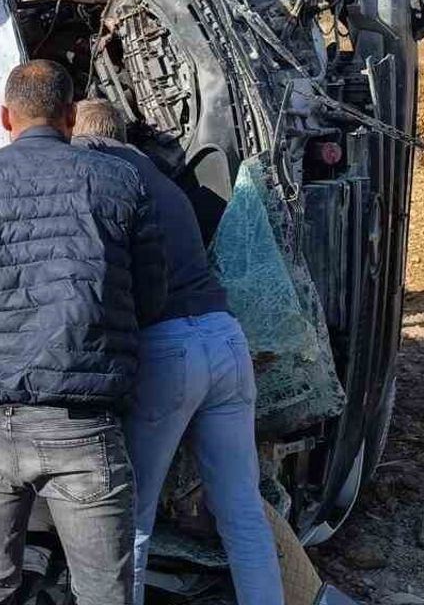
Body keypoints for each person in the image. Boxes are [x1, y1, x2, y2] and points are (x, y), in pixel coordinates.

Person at [0, 62, 168, 605]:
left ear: (3, 117)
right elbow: (152, 295)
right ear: (70, 117)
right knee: (101, 591)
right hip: (80, 419)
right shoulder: (118, 180)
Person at [72, 99, 283, 605]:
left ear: (79, 135)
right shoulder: (164, 181)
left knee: (132, 514)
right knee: (241, 510)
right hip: (225, 337)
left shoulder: (102, 178)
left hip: (169, 348)